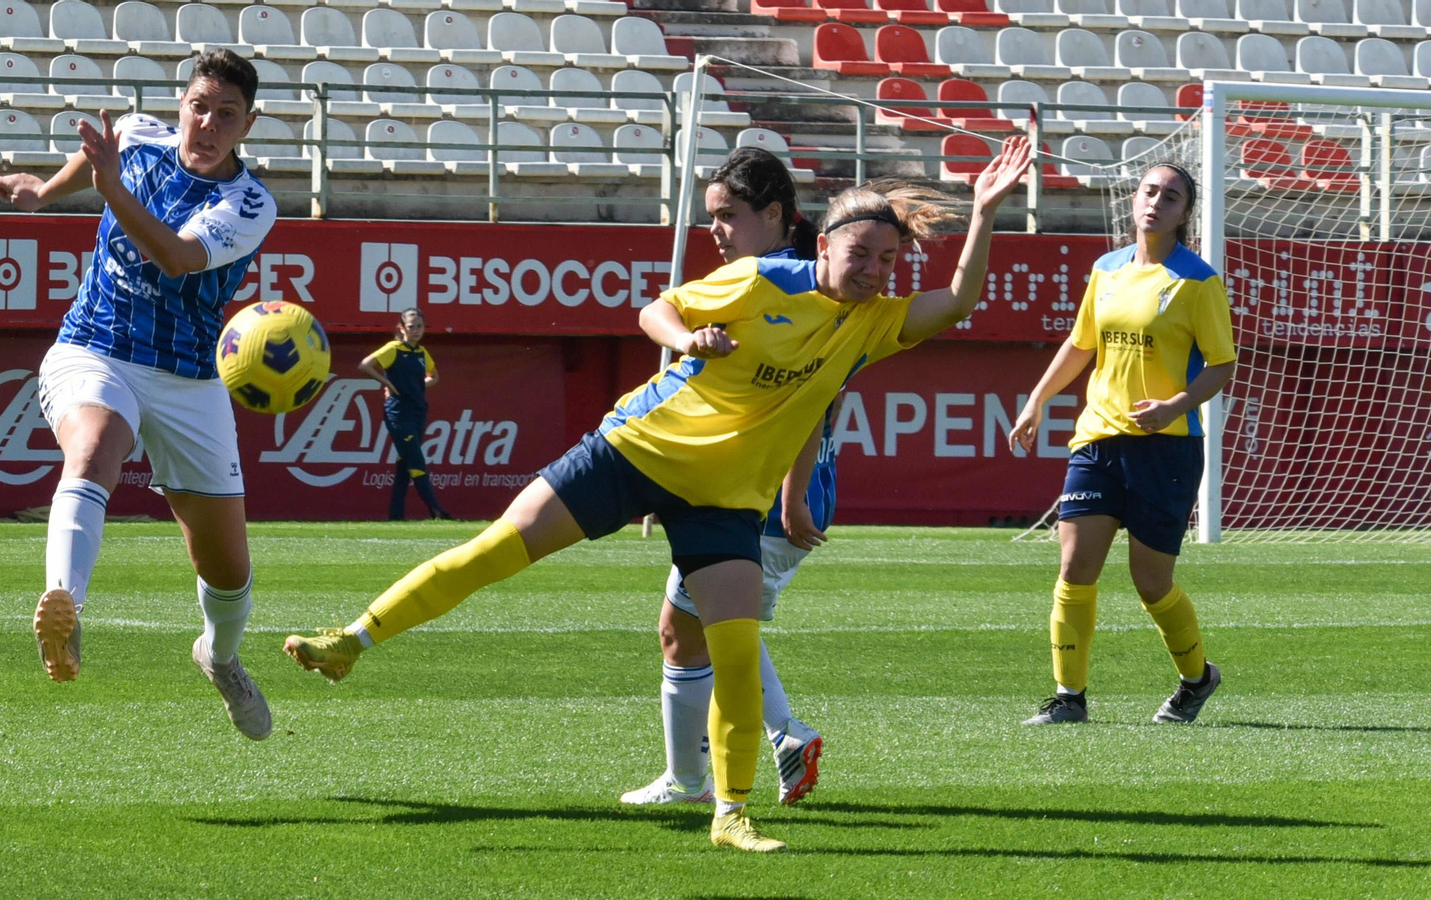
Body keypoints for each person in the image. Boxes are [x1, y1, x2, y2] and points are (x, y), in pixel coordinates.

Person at [284, 137, 1033, 852]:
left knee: (735, 654)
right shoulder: (762, 278)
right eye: (861, 254)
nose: (875, 270)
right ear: (824, 247)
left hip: (725, 499)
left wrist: (988, 211)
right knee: (496, 551)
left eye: (888, 260)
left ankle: (730, 814)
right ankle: (352, 641)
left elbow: (961, 299)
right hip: (635, 450)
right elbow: (655, 311)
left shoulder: (873, 325)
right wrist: (690, 337)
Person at [0, 49, 276, 741]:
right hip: (95, 347)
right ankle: (65, 603)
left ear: (249, 123)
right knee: (91, 452)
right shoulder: (142, 135)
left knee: (228, 571)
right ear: (181, 103)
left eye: (226, 115)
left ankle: (221, 655)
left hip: (188, 378)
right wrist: (44, 194)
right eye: (199, 106)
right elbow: (96, 162)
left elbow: (177, 256)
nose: (207, 124)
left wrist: (112, 190)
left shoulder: (250, 204)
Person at [619, 147, 833, 809]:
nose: (714, 229)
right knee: (718, 622)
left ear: (773, 214)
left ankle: (693, 779)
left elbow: (815, 403)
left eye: (728, 215)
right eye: (709, 215)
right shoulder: (755, 282)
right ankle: (785, 736)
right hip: (748, 485)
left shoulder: (795, 288)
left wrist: (794, 498)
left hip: (767, 493)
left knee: (684, 630)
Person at [1009, 163, 1236, 727]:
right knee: (1074, 567)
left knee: (1151, 582)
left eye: (1172, 196)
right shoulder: (1105, 270)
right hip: (1097, 439)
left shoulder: (1197, 281)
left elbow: (1222, 365)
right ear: (1135, 201)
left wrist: (1174, 407)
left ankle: (1196, 678)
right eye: (1149, 191)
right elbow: (1080, 342)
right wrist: (1036, 400)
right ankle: (1069, 698)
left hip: (1167, 449)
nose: (1156, 202)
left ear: (1186, 214)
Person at [358, 308, 452, 521]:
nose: (416, 330)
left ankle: (395, 515)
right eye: (411, 326)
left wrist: (417, 386)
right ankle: (437, 511)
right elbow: (365, 365)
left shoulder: (421, 353)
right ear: (402, 328)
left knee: (405, 465)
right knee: (417, 463)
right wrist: (387, 383)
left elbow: (434, 376)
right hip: (399, 413)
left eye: (419, 326)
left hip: (418, 411)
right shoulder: (394, 348)